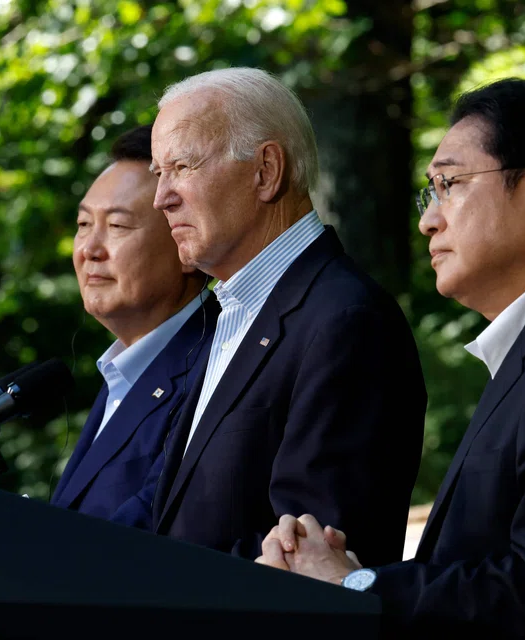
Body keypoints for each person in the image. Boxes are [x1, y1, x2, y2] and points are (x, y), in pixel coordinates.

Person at [257, 78, 525, 637]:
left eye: (448, 184)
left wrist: (357, 587)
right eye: (427, 194)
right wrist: (343, 571)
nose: (428, 220)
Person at [148, 68, 427, 562]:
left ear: (266, 171)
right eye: (158, 173)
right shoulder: (229, 314)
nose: (161, 197)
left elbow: (310, 557)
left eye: (182, 167)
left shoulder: (346, 321)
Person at [51, 125, 218, 529]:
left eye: (119, 226)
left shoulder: (218, 364)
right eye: (84, 224)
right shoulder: (121, 371)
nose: (89, 250)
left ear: (186, 244)